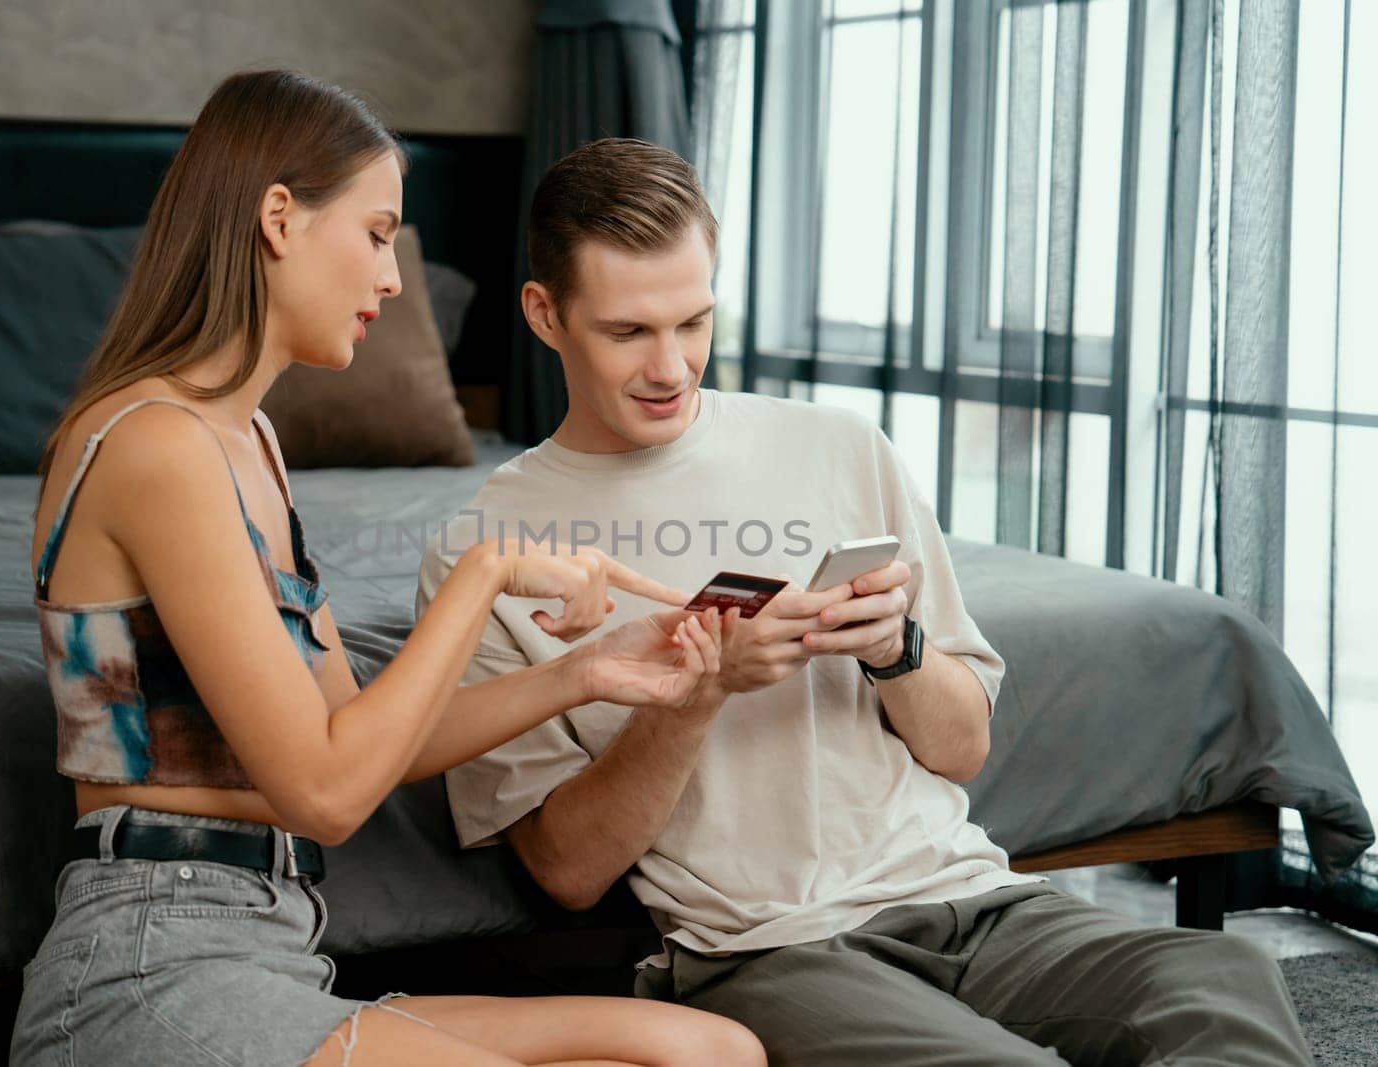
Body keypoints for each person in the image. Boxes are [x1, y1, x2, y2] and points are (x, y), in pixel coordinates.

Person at [417, 137, 1315, 1066]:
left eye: (694, 321)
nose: (673, 367)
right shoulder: (488, 551)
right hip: (769, 946)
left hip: (969, 897)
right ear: (544, 314)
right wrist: (700, 693)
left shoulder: (840, 446)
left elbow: (961, 747)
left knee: (1225, 982)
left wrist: (897, 650)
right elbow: (566, 869)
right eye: (629, 333)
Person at [11, 71, 768, 1067]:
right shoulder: (157, 444)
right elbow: (326, 794)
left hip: (276, 947)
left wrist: (585, 673)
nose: (394, 276)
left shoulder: (251, 445)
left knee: (710, 1050)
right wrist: (483, 576)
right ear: (279, 217)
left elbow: (352, 735)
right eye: (376, 232)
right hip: (151, 962)